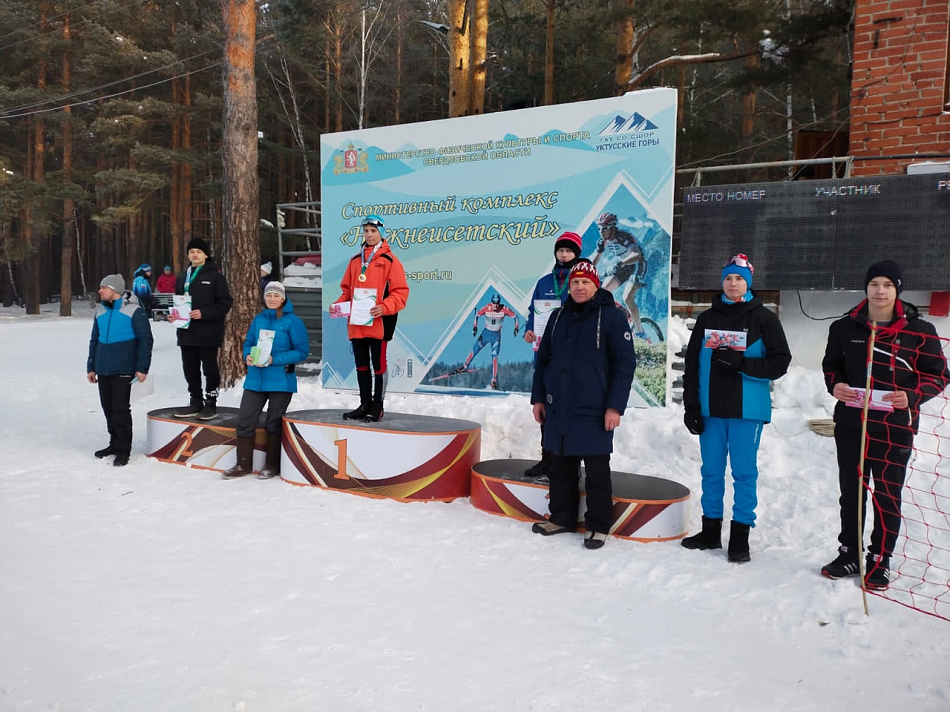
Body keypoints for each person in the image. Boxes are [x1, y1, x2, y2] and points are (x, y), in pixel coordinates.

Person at [820, 260, 948, 590]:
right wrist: (835, 386)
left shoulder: (921, 332)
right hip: (852, 423)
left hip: (895, 428)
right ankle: (849, 552)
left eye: (888, 285)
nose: (880, 290)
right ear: (866, 287)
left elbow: (938, 375)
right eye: (875, 283)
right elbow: (831, 366)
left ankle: (881, 558)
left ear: (898, 290)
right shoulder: (844, 328)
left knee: (887, 495)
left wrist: (912, 396)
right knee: (852, 493)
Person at [681, 254, 791, 563]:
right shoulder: (706, 319)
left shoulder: (764, 319)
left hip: (747, 411)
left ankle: (740, 536)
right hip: (710, 409)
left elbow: (781, 362)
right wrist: (691, 406)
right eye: (728, 278)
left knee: (744, 474)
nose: (733, 284)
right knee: (711, 472)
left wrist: (743, 364)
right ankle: (710, 532)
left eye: (739, 279)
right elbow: (692, 366)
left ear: (749, 283)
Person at [529, 258, 636, 550]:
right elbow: (543, 362)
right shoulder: (558, 316)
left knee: (597, 471)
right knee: (560, 466)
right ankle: (561, 518)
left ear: (595, 284)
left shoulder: (611, 317)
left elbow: (625, 365)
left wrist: (615, 406)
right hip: (558, 406)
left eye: (585, 282)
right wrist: (538, 398)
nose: (579, 287)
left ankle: (598, 525)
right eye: (575, 282)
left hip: (595, 409)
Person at [222, 281, 310, 480]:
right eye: (269, 295)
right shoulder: (259, 319)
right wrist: (247, 356)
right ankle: (243, 465)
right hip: (256, 379)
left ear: (283, 298)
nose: (272, 299)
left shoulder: (292, 321)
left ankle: (272, 465)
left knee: (273, 423)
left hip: (281, 380)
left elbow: (302, 351)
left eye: (276, 295)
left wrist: (274, 360)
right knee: (244, 421)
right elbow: (249, 343)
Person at [331, 215, 409, 422]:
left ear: (381, 233)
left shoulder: (390, 261)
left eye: (373, 231)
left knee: (378, 365)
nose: (369, 235)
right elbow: (347, 290)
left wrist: (384, 307)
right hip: (358, 323)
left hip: (380, 323)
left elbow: (400, 293)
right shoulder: (356, 260)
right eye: (366, 231)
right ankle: (364, 403)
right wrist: (339, 306)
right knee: (361, 365)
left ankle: (377, 406)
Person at [523, 231, 582, 479]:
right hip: (546, 354)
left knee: (571, 409)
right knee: (546, 407)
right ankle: (547, 459)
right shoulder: (545, 282)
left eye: (568, 251)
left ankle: (571, 464)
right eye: (560, 250)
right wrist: (528, 329)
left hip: (572, 355)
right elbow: (532, 312)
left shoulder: (580, 281)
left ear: (576, 254)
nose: (564, 254)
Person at [86, 274, 154, 467]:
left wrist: (142, 367)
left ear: (114, 289)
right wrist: (91, 366)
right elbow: (94, 340)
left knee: (120, 409)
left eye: (103, 288)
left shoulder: (135, 311)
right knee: (108, 408)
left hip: (124, 368)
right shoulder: (100, 311)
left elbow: (145, 340)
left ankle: (124, 449)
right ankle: (114, 444)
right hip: (103, 368)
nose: (99, 291)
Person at [168, 237, 233, 420]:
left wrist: (204, 313)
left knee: (209, 369)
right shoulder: (182, 276)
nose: (195, 255)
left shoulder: (215, 276)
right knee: (190, 368)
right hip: (186, 332)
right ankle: (195, 401)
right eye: (191, 252)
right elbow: (179, 301)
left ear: (205, 255)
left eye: (198, 252)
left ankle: (210, 403)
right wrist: (173, 316)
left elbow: (225, 303)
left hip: (208, 332)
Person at [591, 212, 649, 339]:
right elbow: (596, 260)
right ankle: (623, 313)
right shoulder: (603, 241)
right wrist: (588, 271)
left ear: (612, 227)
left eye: (604, 228)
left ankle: (640, 333)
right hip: (623, 265)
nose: (601, 231)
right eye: (599, 228)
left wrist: (621, 262)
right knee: (603, 291)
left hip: (638, 264)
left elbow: (636, 255)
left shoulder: (623, 237)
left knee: (627, 297)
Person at [455, 294, 520, 390]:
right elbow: (477, 315)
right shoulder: (486, 308)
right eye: (494, 304)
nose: (495, 306)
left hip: (496, 337)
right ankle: (465, 366)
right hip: (485, 334)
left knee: (494, 357)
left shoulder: (504, 309)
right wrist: (475, 327)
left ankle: (493, 380)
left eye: (497, 304)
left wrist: (516, 328)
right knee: (475, 349)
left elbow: (516, 317)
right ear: (491, 302)